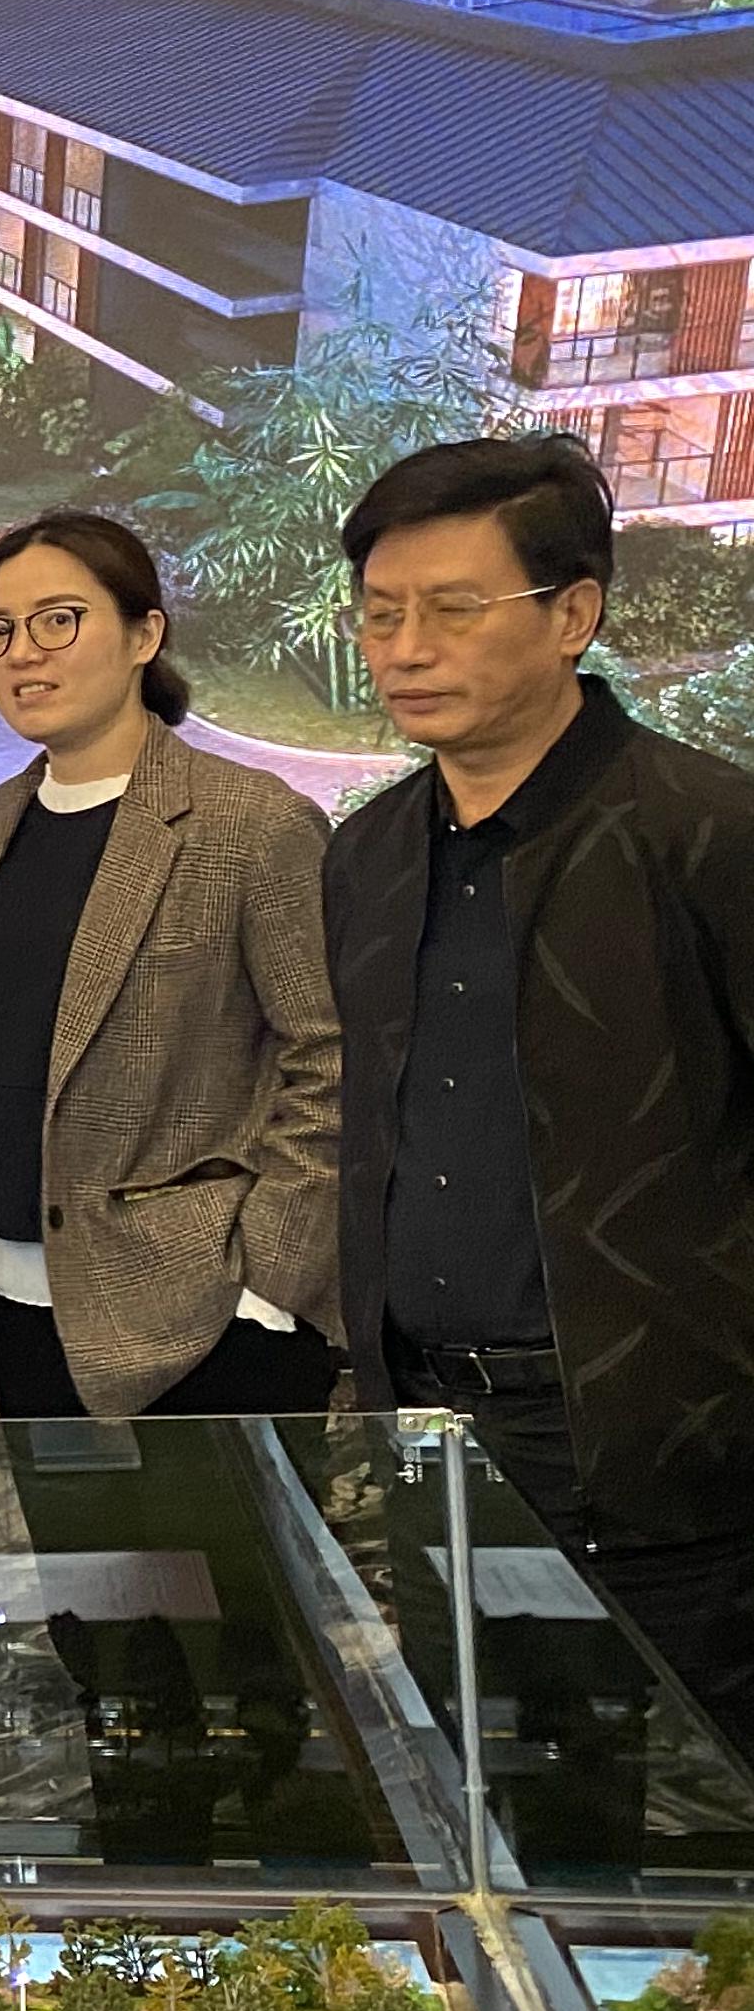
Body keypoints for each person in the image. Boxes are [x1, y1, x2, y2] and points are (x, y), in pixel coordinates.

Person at [325, 433, 754, 1751]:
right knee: (494, 1796)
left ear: (573, 615)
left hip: (665, 1454)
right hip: (432, 1435)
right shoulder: (368, 853)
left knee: (702, 1825)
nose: (405, 649)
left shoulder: (704, 830)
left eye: (453, 609)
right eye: (380, 613)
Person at [0, 511, 341, 1417]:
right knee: (61, 1518)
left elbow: (332, 1061)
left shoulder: (252, 823)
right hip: (11, 1283)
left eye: (59, 620)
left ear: (144, 635)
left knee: (222, 1522)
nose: (23, 653)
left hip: (203, 1305)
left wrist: (270, 1280)